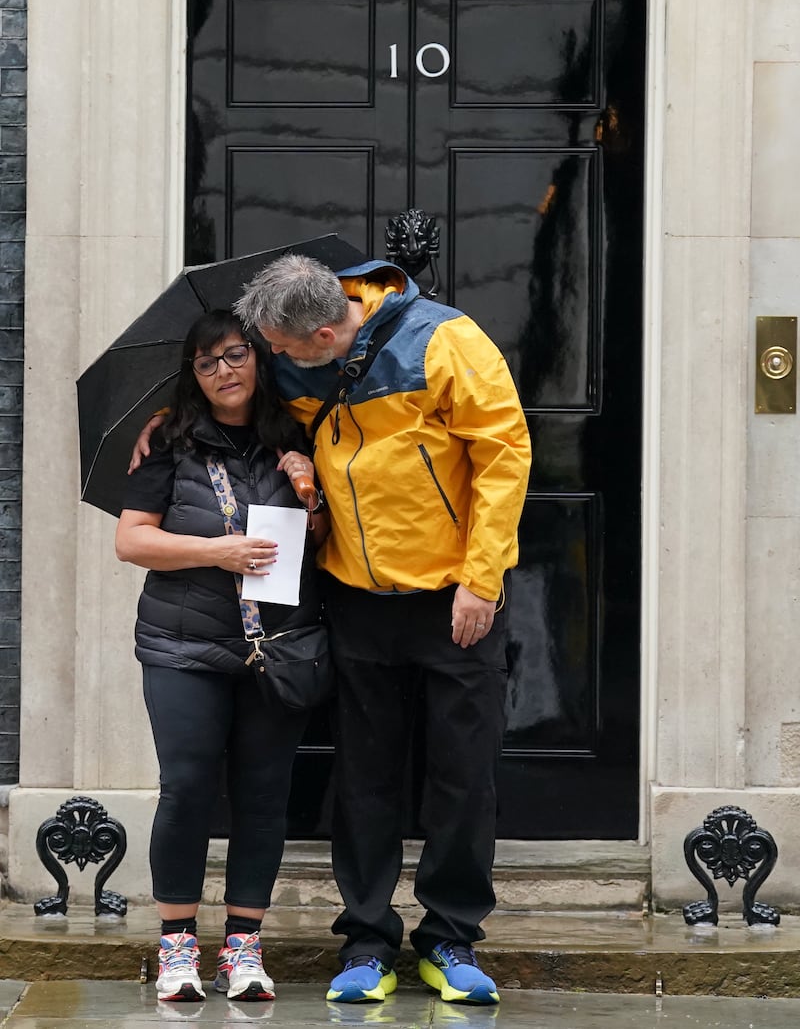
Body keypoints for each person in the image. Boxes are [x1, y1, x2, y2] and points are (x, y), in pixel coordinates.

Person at [135, 254, 531, 1006]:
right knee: (366, 778)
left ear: (320, 333)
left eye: (279, 351)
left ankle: (449, 937)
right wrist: (167, 418)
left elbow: (504, 456)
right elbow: (237, 400)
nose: (270, 363)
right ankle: (367, 940)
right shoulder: (295, 358)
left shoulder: (446, 342)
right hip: (353, 597)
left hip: (454, 596)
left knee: (462, 777)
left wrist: (483, 579)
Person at [116, 308, 328, 1004]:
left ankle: (243, 948)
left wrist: (310, 491)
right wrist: (217, 551)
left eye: (235, 355)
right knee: (187, 788)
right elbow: (133, 541)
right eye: (207, 363)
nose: (223, 372)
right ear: (194, 376)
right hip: (183, 646)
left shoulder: (296, 438)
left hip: (275, 648)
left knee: (265, 800)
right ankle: (177, 947)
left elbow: (322, 542)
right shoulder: (169, 441)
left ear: (260, 359)